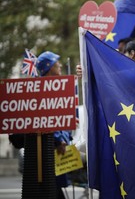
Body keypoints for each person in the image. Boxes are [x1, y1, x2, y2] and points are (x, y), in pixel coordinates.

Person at [36, 51, 73, 199]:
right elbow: (47, 117)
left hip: (60, 152)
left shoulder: (59, 88)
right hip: (48, 152)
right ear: (49, 67)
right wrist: (59, 139)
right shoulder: (41, 90)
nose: (59, 67)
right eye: (56, 65)